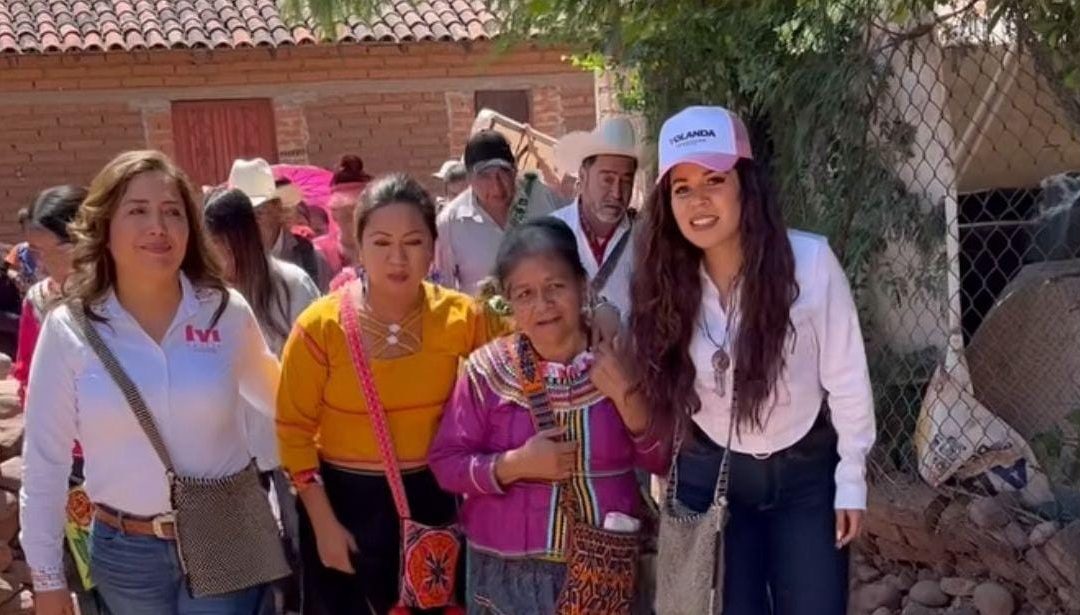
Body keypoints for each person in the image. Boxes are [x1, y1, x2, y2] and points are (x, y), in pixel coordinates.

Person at [630, 106, 875, 614]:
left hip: (806, 477)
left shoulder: (809, 264)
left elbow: (847, 376)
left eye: (715, 179)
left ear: (746, 184)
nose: (699, 199)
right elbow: (663, 389)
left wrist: (851, 477)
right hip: (711, 473)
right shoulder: (662, 284)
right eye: (682, 187)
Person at [21, 150, 281, 615]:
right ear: (104, 226)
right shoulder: (69, 330)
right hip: (126, 555)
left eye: (173, 212)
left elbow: (286, 402)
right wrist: (46, 578)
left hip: (227, 535)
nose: (157, 226)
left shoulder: (224, 312)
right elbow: (44, 464)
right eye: (137, 211)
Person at [276, 173, 503, 614]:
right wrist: (323, 523)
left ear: (433, 246)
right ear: (358, 247)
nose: (398, 258)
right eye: (381, 243)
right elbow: (292, 432)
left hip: (435, 506)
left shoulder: (463, 318)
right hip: (345, 509)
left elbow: (508, 374)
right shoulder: (320, 328)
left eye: (413, 241)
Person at [429, 217, 666, 614]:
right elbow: (446, 464)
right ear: (509, 301)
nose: (543, 305)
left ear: (582, 284)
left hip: (606, 575)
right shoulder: (485, 373)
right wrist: (514, 465)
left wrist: (627, 398)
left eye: (556, 287)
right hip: (506, 582)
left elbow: (664, 458)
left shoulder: (625, 361)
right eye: (525, 294)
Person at [204, 187, 320, 615]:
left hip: (288, 440)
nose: (216, 256)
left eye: (220, 245)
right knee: (257, 553)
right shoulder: (204, 298)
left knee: (301, 537)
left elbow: (316, 364)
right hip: (234, 448)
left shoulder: (291, 285)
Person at [435, 130, 562, 295]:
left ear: (515, 171)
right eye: (485, 176)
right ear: (469, 179)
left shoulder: (542, 198)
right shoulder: (450, 223)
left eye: (504, 173)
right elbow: (444, 292)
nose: (497, 187)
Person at [550, 116, 639, 317]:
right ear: (583, 176)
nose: (617, 193)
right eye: (607, 179)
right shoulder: (551, 232)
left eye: (626, 181)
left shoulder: (646, 238)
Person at [229, 158, 331, 291]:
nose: (250, 223)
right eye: (241, 216)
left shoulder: (311, 260)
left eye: (259, 213)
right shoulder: (228, 265)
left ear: (277, 208)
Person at [316, 155, 372, 282]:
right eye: (348, 213)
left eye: (362, 212)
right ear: (334, 214)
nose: (355, 220)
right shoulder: (319, 252)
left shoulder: (383, 248)